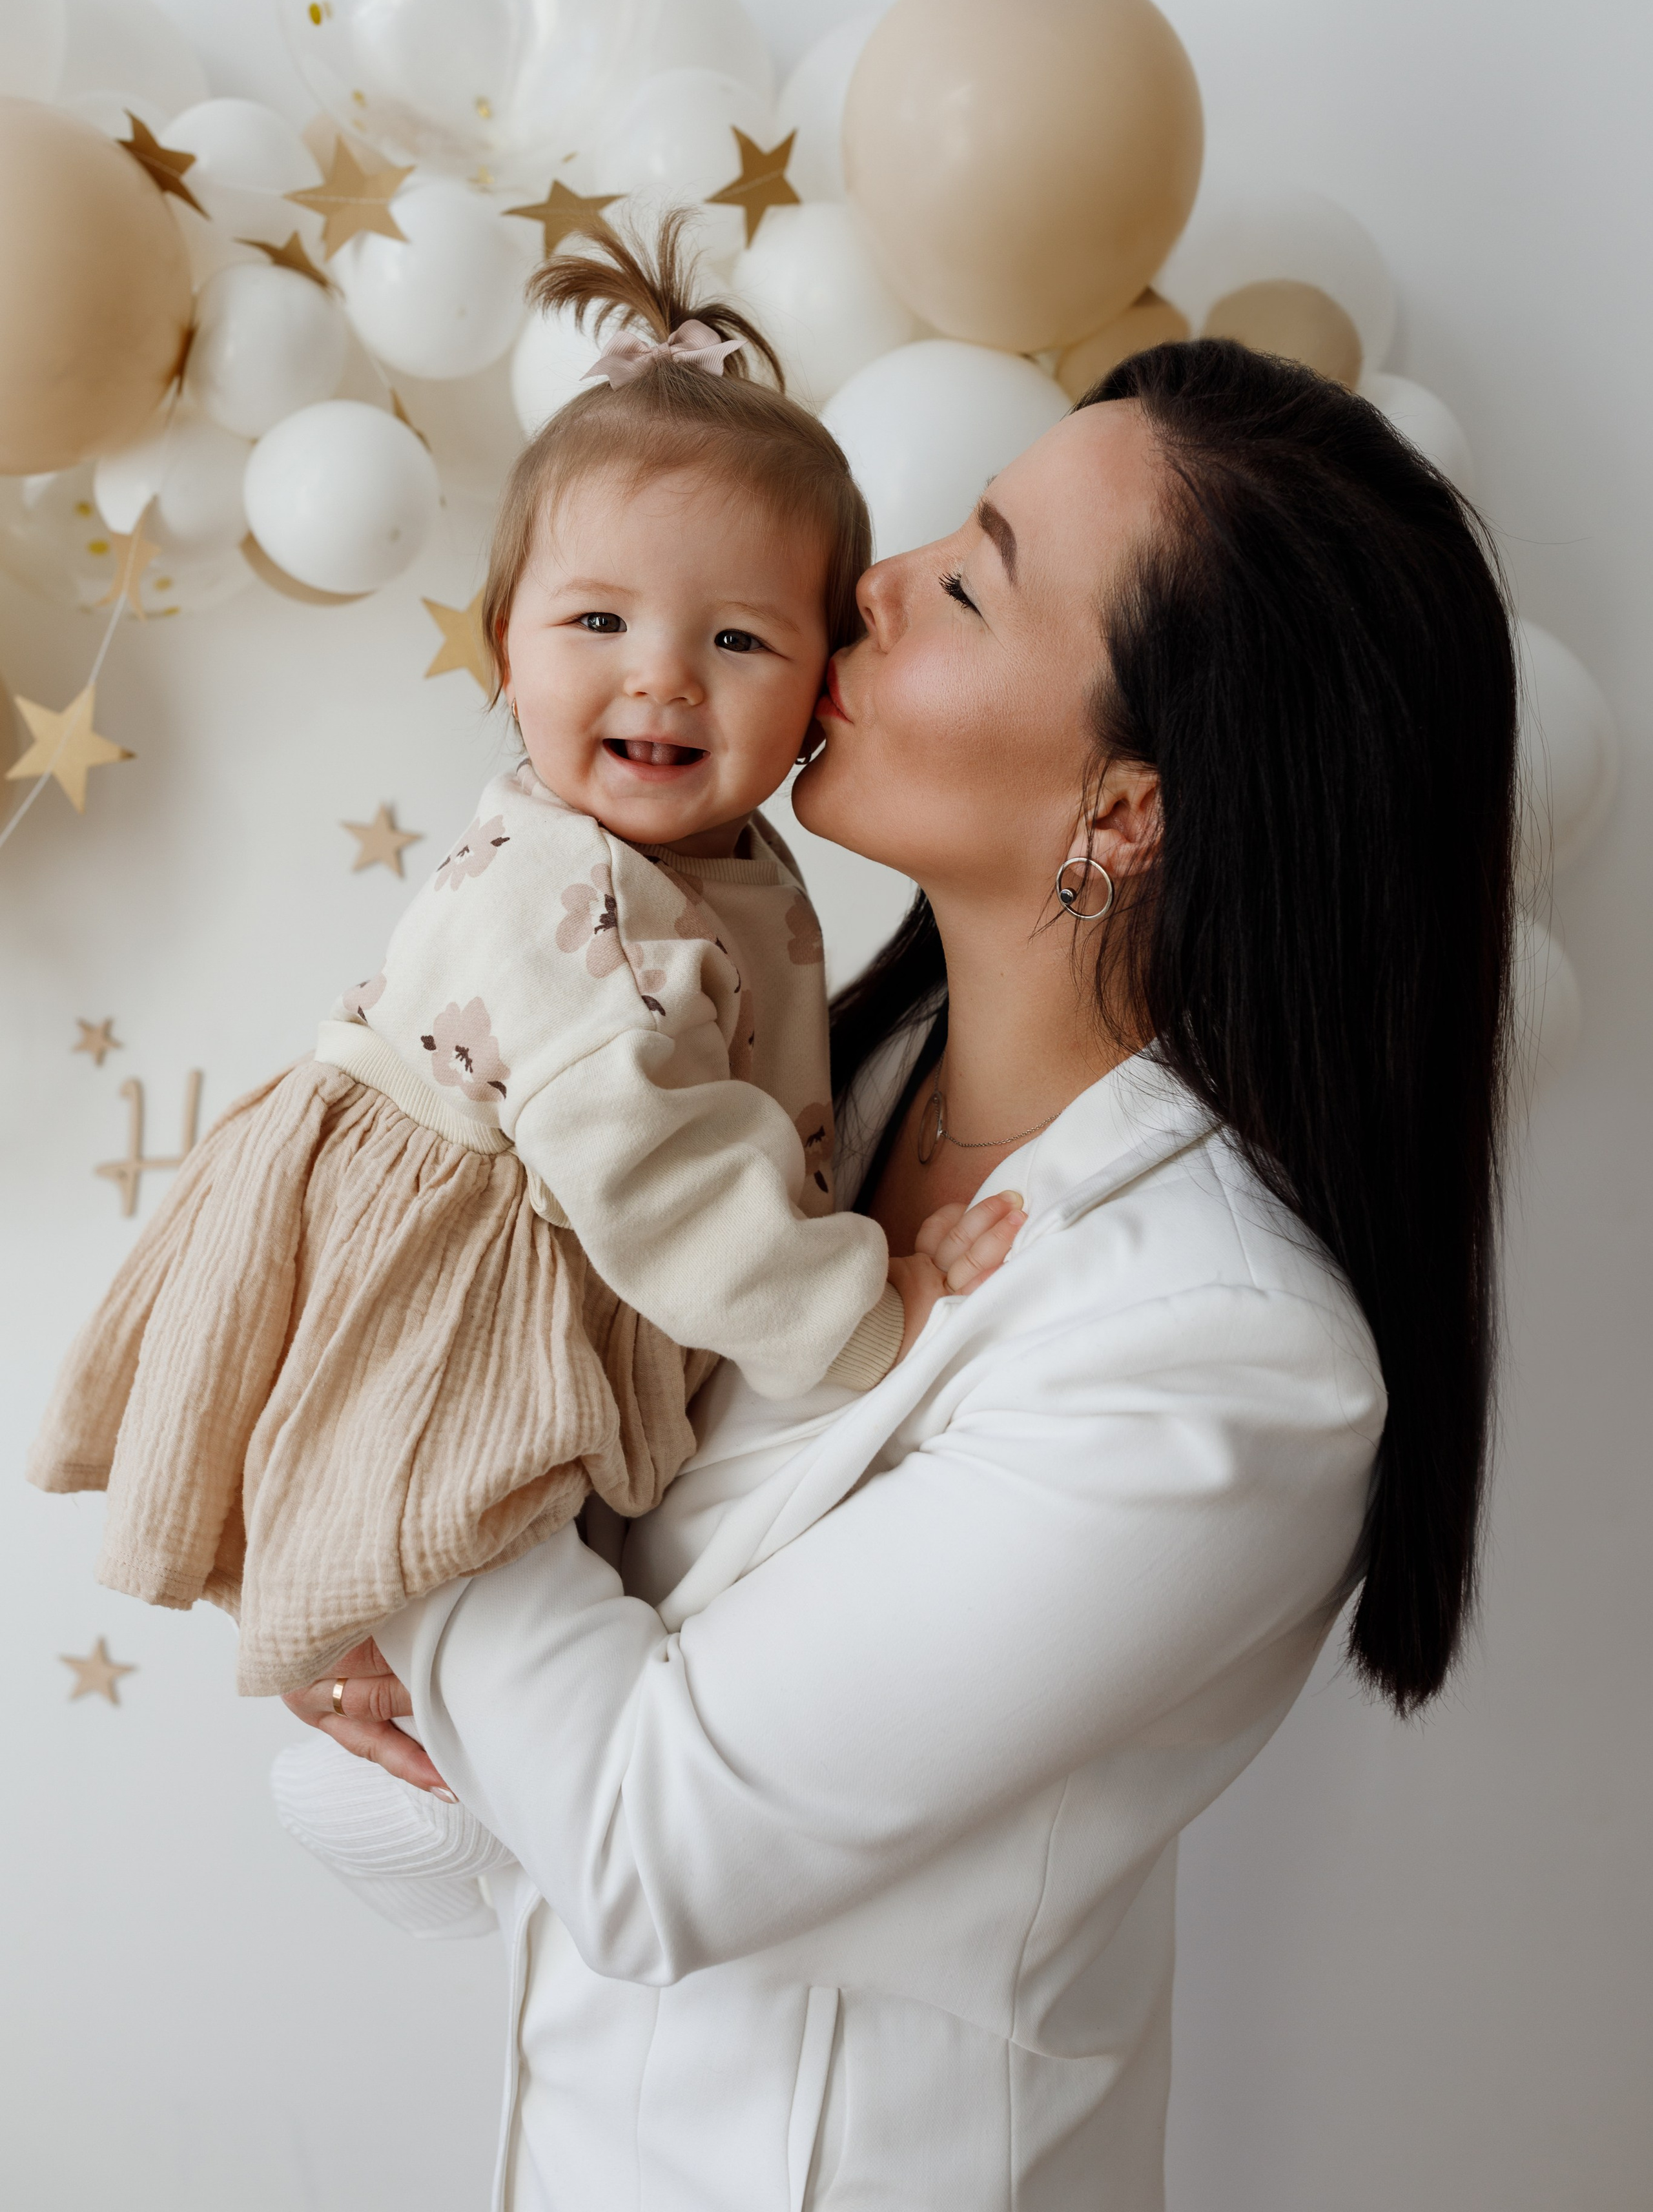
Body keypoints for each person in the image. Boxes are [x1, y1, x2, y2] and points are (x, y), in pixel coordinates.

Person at [277, 336, 1518, 2211]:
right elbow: (536, 1765)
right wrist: (384, 1618)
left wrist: (404, 1488)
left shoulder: (1219, 1358)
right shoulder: (801, 1098)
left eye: (967, 578)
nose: (865, 578)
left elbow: (645, 1839)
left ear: (1126, 806)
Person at [26, 216, 1022, 1703]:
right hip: (452, 1262)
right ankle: (378, 1658)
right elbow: (653, 1173)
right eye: (598, 620)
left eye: (740, 641)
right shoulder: (587, 905)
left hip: (545, 1236)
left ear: (824, 678)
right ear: (507, 644)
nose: (662, 676)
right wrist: (863, 1317)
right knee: (432, 1528)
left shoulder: (721, 866)